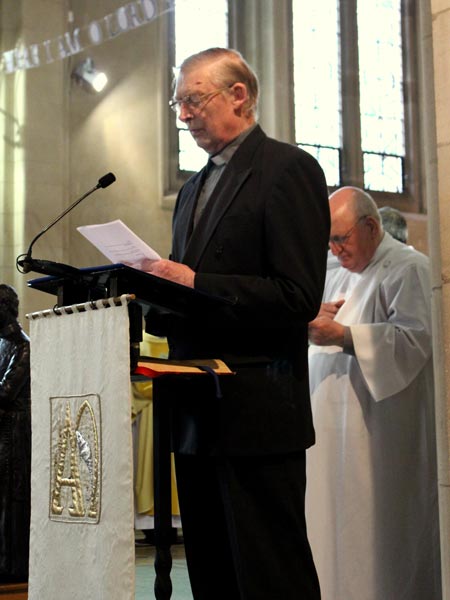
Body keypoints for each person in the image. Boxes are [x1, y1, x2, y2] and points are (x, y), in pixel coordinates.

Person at [144, 47, 330, 599]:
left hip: (256, 411)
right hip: (196, 408)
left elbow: (297, 296)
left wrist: (195, 282)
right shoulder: (191, 191)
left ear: (239, 96)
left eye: (193, 100)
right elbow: (188, 293)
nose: (183, 114)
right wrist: (146, 294)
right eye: (177, 104)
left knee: (270, 574)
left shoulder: (288, 169)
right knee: (212, 575)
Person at [307, 186, 441, 600]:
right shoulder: (334, 270)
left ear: (370, 226)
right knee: (329, 529)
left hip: (380, 437)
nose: (335, 249)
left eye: (341, 238)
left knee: (376, 538)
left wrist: (344, 336)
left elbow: (415, 339)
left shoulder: (409, 268)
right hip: (330, 437)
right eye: (329, 240)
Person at [0, 284, 31, 583]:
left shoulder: (23, 345)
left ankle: (13, 565)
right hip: (3, 427)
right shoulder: (1, 342)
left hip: (15, 430)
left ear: (6, 308)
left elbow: (6, 392)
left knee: (12, 497)